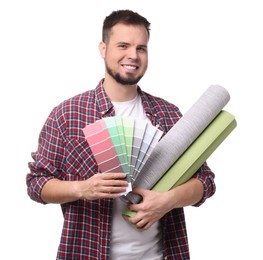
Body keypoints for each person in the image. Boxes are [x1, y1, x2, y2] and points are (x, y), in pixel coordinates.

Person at [26, 9, 216, 259]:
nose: (133, 56)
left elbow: (205, 181)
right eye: (123, 45)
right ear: (103, 49)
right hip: (88, 252)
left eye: (141, 48)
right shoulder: (68, 114)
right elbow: (36, 183)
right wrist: (82, 189)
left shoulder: (168, 114)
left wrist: (167, 200)